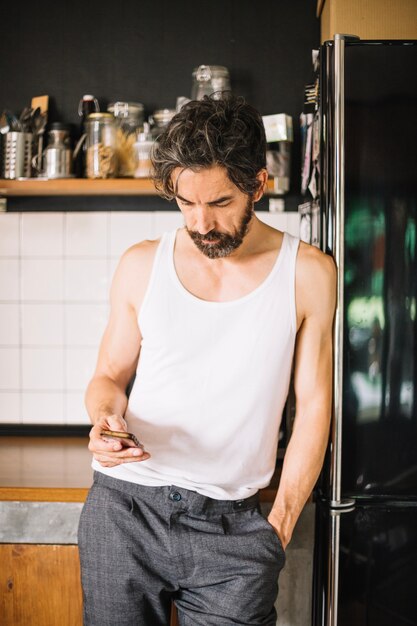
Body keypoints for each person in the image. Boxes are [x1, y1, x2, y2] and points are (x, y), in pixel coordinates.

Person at [78, 95, 336, 626]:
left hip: (235, 534)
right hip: (125, 512)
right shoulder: (141, 264)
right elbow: (108, 377)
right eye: (185, 202)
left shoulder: (308, 272)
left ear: (258, 185)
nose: (201, 223)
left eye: (219, 202)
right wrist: (105, 419)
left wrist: (278, 525)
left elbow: (313, 407)